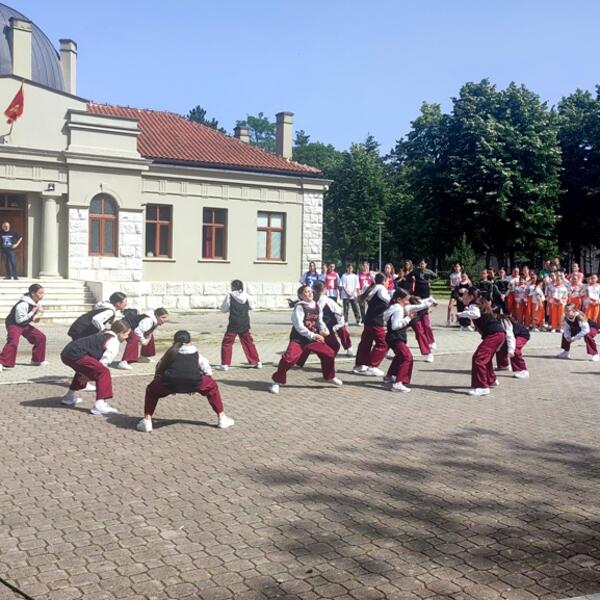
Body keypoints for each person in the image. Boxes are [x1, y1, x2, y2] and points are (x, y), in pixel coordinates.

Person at [137, 330, 235, 432]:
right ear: (190, 342)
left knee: (151, 390)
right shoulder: (196, 353)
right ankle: (222, 418)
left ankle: (147, 421)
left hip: (170, 384)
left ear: (173, 341)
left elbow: (159, 368)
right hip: (194, 382)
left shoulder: (170, 352)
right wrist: (197, 386)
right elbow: (208, 371)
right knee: (213, 387)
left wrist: (164, 385)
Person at [269, 285, 342, 394]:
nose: (310, 293)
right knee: (288, 359)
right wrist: (313, 335)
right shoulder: (300, 307)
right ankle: (276, 381)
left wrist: (324, 330)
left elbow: (319, 321)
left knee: (329, 353)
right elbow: (299, 326)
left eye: (310, 291)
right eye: (306, 292)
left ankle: (329, 377)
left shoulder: (317, 306)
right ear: (301, 295)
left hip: (312, 339)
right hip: (299, 339)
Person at [60, 320, 131, 414]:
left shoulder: (104, 335)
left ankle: (69, 397)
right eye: (127, 334)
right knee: (104, 372)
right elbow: (103, 364)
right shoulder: (114, 342)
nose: (127, 337)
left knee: (84, 370)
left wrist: (88, 374)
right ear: (120, 333)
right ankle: (100, 405)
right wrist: (91, 375)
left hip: (66, 353)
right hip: (76, 354)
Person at [383, 289, 436, 392]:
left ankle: (389, 377)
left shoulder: (399, 306)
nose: (408, 302)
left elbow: (418, 306)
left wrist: (429, 302)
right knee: (407, 357)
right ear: (399, 299)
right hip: (396, 337)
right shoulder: (398, 309)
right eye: (406, 300)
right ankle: (398, 383)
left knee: (399, 356)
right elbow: (395, 326)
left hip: (394, 337)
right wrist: (408, 318)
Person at [456, 288, 507, 396]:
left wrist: (462, 314)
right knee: (485, 359)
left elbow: (476, 314)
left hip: (494, 334)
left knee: (478, 358)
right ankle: (491, 379)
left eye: (464, 294)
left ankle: (482, 387)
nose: (462, 297)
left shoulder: (473, 305)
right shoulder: (478, 303)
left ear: (471, 297)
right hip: (498, 334)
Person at [297, 281, 354, 366]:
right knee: (334, 345)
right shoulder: (327, 301)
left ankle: (300, 361)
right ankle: (328, 363)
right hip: (325, 327)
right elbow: (339, 313)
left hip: (314, 327)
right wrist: (337, 326)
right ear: (325, 289)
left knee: (311, 343)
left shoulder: (312, 300)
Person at [215, 280, 261, 371]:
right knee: (248, 342)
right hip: (244, 322)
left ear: (233, 287)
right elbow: (252, 306)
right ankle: (256, 362)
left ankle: (225, 364)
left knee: (227, 343)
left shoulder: (230, 295)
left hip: (234, 322)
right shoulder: (246, 295)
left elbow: (224, 309)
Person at [0, 284, 47, 371]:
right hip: (13, 323)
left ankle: (36, 360)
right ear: (33, 293)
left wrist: (36, 316)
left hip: (23, 324)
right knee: (13, 341)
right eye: (40, 293)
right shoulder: (23, 304)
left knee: (40, 337)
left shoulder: (36, 302)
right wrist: (32, 312)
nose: (42, 295)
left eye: (43, 293)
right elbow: (19, 321)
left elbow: (31, 318)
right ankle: (2, 362)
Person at [353, 273, 390, 376]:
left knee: (365, 343)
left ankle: (360, 365)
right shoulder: (381, 289)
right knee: (383, 344)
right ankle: (372, 366)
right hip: (376, 321)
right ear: (383, 281)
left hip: (369, 320)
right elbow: (389, 301)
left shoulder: (372, 288)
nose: (388, 283)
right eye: (388, 281)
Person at [494, 310, 530, 378]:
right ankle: (504, 365)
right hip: (512, 334)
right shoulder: (492, 320)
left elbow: (510, 336)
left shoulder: (504, 320)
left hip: (521, 334)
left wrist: (511, 350)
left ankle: (523, 370)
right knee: (500, 347)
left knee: (515, 349)